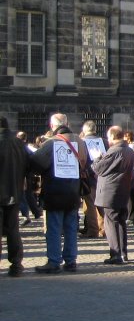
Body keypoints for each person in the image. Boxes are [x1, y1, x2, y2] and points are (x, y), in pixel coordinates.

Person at [29, 113, 91, 274]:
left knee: (54, 228)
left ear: (52, 126)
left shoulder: (51, 143)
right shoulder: (80, 142)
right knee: (71, 227)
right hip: (74, 191)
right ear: (68, 124)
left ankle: (54, 261)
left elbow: (37, 164)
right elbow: (88, 164)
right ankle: (71, 261)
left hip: (55, 190)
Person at [92, 125, 134, 265]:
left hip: (110, 191)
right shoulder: (129, 151)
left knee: (111, 222)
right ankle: (123, 252)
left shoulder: (113, 151)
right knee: (121, 221)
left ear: (112, 136)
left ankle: (115, 254)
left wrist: (96, 158)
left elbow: (98, 169)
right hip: (123, 190)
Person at [0, 116, 28, 277]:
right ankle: (16, 264)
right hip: (15, 192)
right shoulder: (18, 143)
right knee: (13, 229)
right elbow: (29, 164)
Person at [79, 119, 105, 238]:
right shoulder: (104, 142)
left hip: (88, 177)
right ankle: (103, 229)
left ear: (84, 131)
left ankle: (92, 230)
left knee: (90, 205)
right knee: (102, 204)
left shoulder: (81, 142)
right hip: (103, 177)